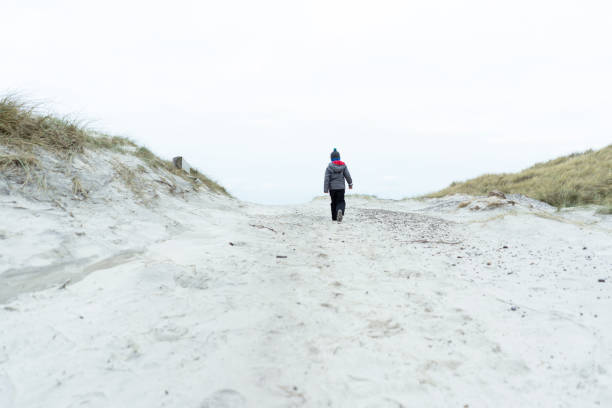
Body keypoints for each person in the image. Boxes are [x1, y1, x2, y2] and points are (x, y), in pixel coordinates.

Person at [323, 148, 353, 222]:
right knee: (341, 201)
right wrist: (350, 183)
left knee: (334, 202)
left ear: (331, 158)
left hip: (332, 188)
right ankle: (340, 210)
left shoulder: (329, 167)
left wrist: (325, 189)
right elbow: (347, 175)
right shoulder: (343, 166)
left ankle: (334, 218)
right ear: (339, 157)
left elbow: (327, 178)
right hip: (341, 188)